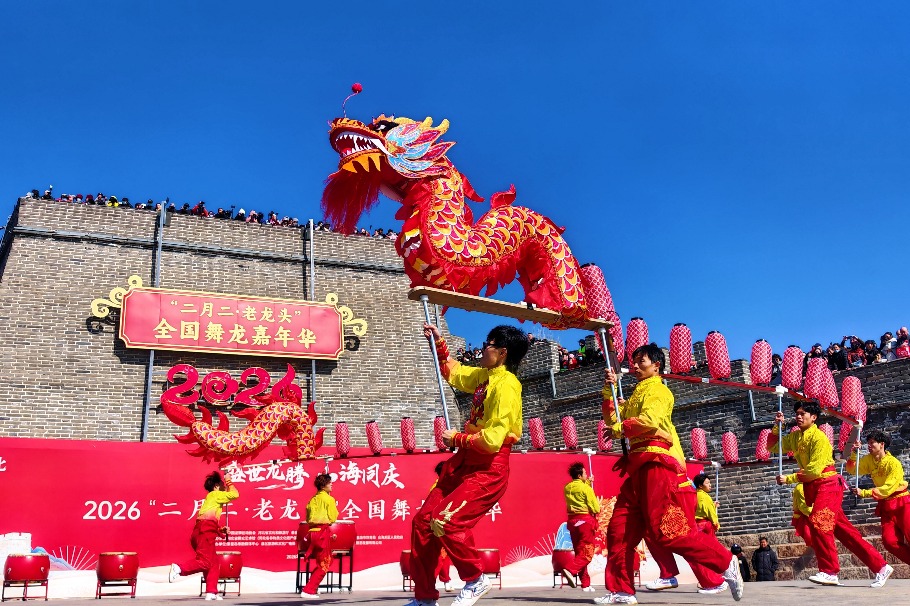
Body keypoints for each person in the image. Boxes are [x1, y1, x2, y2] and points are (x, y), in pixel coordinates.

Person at [598, 343, 743, 604]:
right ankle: (621, 590)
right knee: (620, 530)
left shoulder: (658, 391)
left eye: (642, 361)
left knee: (669, 531)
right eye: (635, 361)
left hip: (656, 464)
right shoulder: (635, 395)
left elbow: (648, 422)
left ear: (657, 365)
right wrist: (608, 392)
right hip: (637, 468)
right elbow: (613, 420)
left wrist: (620, 428)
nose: (636, 365)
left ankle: (724, 562)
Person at [408, 323, 529, 606]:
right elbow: (455, 372)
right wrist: (439, 342)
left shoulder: (507, 385)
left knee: (445, 521)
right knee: (423, 522)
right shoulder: (485, 377)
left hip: (487, 468)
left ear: (502, 352)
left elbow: (494, 439)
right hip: (463, 464)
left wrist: (458, 439)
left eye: (488, 344)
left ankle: (476, 578)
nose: (482, 348)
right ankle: (425, 598)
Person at [769, 403, 892, 587]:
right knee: (846, 533)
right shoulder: (795, 437)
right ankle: (881, 566)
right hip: (815, 487)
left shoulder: (819, 438)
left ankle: (829, 571)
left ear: (814, 417)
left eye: (803, 413)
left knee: (820, 522)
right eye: (797, 413)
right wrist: (777, 427)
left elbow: (814, 470)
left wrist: (789, 478)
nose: (799, 416)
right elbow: (772, 447)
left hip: (827, 484)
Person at [169, 471, 238, 600]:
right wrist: (229, 480)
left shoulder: (212, 499)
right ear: (216, 486)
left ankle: (211, 592)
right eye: (222, 485)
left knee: (213, 563)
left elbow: (208, 520)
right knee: (206, 562)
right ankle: (179, 568)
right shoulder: (215, 494)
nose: (224, 488)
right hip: (204, 533)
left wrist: (221, 529)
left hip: (203, 532)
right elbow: (234, 494)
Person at [847, 431, 910, 566]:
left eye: (872, 443)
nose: (869, 446)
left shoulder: (893, 463)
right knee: (889, 541)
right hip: (886, 506)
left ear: (881, 444)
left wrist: (865, 493)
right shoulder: (869, 459)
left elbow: (888, 488)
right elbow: (853, 470)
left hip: (901, 502)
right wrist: (855, 453)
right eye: (868, 443)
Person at [559, 461, 600, 592]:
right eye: (584, 473)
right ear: (579, 475)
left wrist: (587, 482)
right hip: (584, 521)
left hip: (573, 522)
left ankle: (586, 584)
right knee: (587, 553)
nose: (586, 474)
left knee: (579, 553)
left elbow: (579, 491)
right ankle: (570, 569)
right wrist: (596, 510)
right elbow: (594, 506)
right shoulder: (586, 488)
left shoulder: (567, 487)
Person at [299, 473, 339, 598]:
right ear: (323, 485)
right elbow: (333, 517)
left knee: (321, 562)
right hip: (322, 532)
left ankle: (312, 587)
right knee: (325, 563)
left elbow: (307, 516)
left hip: (312, 532)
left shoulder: (313, 499)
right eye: (329, 483)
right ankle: (308, 590)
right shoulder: (329, 499)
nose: (331, 484)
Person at [430, 461, 454, 592]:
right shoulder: (437, 488)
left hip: (449, 525)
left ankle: (445, 581)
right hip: (440, 526)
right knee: (440, 555)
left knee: (445, 555)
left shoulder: (452, 485)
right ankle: (431, 582)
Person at [790, 483, 814, 551]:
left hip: (807, 515)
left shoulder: (805, 485)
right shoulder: (801, 488)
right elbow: (804, 507)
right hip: (806, 516)